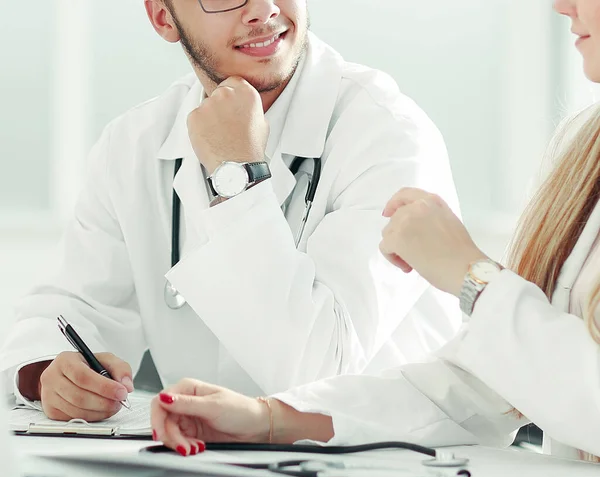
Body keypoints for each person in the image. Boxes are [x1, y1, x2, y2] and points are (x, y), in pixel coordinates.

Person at [148, 0, 600, 462]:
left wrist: (473, 278)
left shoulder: (385, 126)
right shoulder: (582, 152)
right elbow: (483, 392)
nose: (562, 6)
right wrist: (269, 419)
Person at [0, 0, 460, 423]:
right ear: (163, 17)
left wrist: (235, 175)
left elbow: (318, 371)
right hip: (202, 458)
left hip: (381, 460)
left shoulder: (388, 134)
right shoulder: (134, 142)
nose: (263, 10)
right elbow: (70, 309)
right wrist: (48, 374)